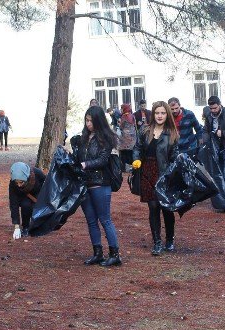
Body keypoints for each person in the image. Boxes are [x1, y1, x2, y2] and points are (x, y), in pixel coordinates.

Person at [75, 105, 122, 266]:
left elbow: (103, 160)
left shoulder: (106, 138)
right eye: (86, 120)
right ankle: (97, 252)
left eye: (91, 121)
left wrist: (85, 164)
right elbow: (79, 157)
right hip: (85, 183)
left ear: (98, 120)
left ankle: (114, 254)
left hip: (100, 183)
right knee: (91, 220)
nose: (88, 124)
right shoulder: (83, 138)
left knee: (105, 219)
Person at [133, 101, 179, 255]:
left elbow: (174, 157)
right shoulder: (145, 130)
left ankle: (170, 240)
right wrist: (136, 159)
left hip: (164, 175)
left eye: (163, 113)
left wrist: (171, 174)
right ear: (153, 114)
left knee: (166, 208)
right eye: (157, 113)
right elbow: (137, 148)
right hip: (147, 172)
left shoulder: (172, 133)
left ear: (167, 114)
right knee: (153, 207)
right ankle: (157, 242)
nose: (160, 116)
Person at [8, 162, 46, 239]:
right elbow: (13, 204)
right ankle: (25, 227)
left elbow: (46, 182)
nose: (18, 185)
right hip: (24, 196)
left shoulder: (36, 173)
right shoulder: (13, 184)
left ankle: (40, 225)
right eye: (16, 182)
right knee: (26, 205)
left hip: (38, 193)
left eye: (21, 182)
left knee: (37, 207)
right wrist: (16, 227)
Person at [118, 104, 137, 171]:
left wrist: (119, 124)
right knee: (131, 154)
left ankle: (124, 169)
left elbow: (121, 127)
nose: (121, 109)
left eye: (122, 108)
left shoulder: (124, 116)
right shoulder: (132, 116)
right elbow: (135, 125)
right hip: (132, 139)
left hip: (125, 139)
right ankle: (132, 168)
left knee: (124, 154)